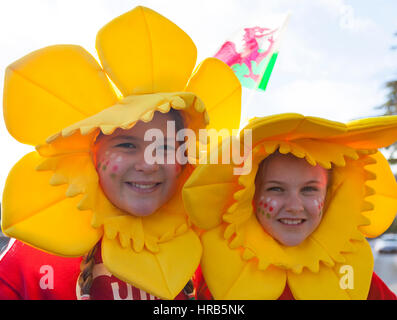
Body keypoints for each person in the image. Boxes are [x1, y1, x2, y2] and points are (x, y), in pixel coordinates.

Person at [0, 6, 240, 300]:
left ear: (187, 160)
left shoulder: (214, 256)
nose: (148, 163)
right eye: (126, 145)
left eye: (164, 147)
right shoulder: (31, 261)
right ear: (90, 156)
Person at [183, 113, 397, 299]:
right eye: (276, 189)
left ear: (330, 195)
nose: (295, 206)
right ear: (250, 196)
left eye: (309, 189)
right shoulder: (216, 268)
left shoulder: (350, 272)